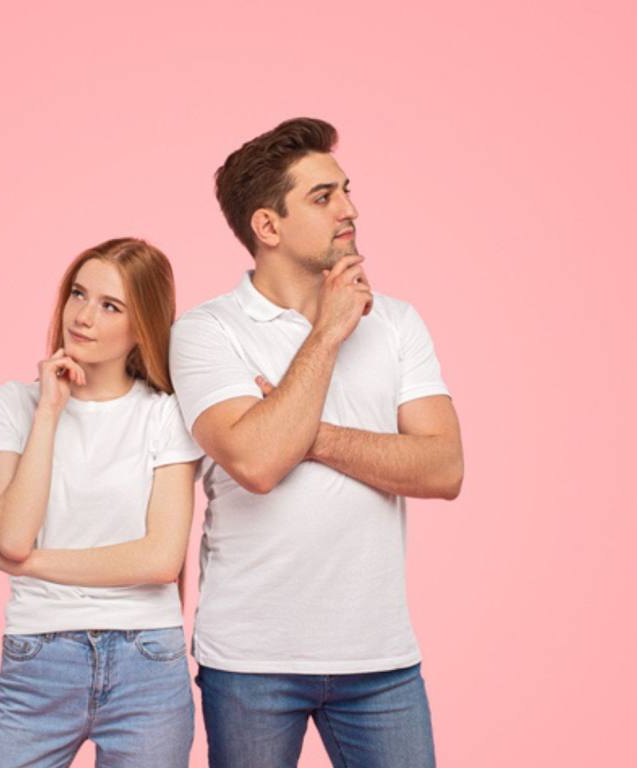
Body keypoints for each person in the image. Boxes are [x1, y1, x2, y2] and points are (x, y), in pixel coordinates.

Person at [169, 118, 465, 767]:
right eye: (322, 197)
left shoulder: (396, 323)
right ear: (267, 226)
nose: (349, 210)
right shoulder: (206, 332)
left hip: (380, 658)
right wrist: (328, 333)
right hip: (252, 661)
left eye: (346, 191)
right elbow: (254, 462)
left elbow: (443, 467)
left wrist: (301, 428)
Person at [0, 237, 202, 768]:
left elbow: (160, 560)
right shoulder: (8, 406)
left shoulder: (164, 415)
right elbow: (14, 535)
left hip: (147, 666)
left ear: (142, 327)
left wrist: (26, 564)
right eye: (78, 294)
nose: (83, 316)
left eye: (110, 306)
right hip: (38, 660)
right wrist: (48, 411)